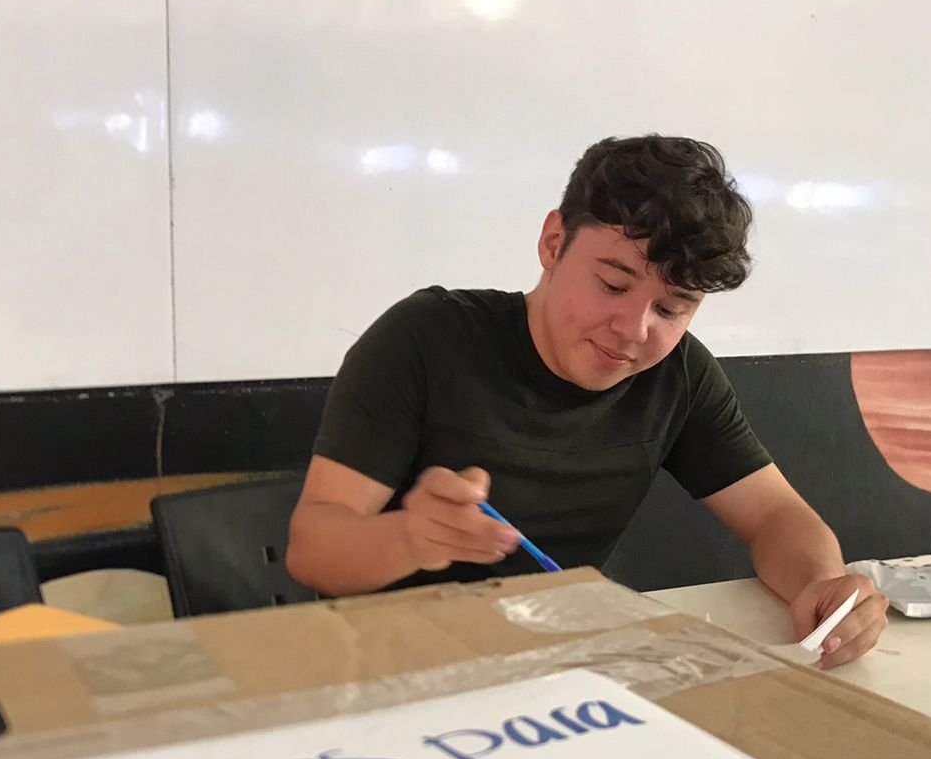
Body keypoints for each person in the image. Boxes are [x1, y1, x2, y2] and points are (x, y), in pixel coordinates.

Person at [286, 134, 886, 668]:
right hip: (386, 667)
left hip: (556, 670)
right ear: (553, 242)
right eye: (612, 284)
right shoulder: (426, 339)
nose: (633, 329)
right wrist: (410, 538)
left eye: (671, 308)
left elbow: (776, 517)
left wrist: (821, 584)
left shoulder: (677, 374)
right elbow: (313, 549)